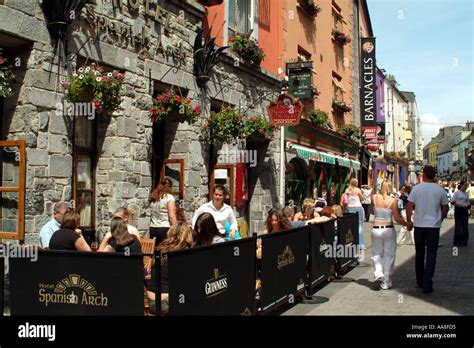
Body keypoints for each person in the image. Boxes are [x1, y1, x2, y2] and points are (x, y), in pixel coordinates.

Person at [406, 166, 449, 294]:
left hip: (419, 225)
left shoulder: (416, 189)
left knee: (419, 254)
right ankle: (427, 282)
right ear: (434, 175)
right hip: (433, 226)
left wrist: (409, 221)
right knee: (431, 254)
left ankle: (420, 280)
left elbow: (409, 206)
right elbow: (445, 207)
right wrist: (440, 219)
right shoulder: (440, 190)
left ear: (424, 174)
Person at [146, 222, 194, 315]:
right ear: (187, 236)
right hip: (166, 302)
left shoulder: (161, 250)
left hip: (151, 301)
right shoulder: (180, 254)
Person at [371, 181, 410, 290]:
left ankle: (378, 273)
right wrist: (407, 224)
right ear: (389, 188)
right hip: (388, 229)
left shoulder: (373, 197)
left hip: (376, 229)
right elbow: (397, 218)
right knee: (389, 255)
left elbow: (372, 212)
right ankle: (386, 281)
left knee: (376, 253)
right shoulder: (393, 201)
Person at [149, 181, 177, 245]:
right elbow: (171, 216)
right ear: (169, 187)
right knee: (165, 250)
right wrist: (176, 229)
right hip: (165, 227)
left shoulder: (154, 197)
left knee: (155, 251)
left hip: (153, 227)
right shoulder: (169, 197)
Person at [341, 178, 366, 249]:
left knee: (351, 226)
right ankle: (360, 244)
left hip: (349, 208)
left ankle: (351, 243)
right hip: (358, 208)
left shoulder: (347, 190)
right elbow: (362, 198)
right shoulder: (358, 190)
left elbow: (345, 200)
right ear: (356, 183)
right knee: (360, 225)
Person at [451, 181, 470, 246]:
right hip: (458, 210)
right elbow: (452, 202)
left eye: (466, 185)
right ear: (461, 186)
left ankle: (464, 241)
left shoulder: (466, 193)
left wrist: (468, 205)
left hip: (465, 210)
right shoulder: (457, 193)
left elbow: (468, 202)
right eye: (465, 185)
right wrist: (460, 205)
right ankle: (457, 242)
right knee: (458, 226)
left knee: (465, 226)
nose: (466, 187)